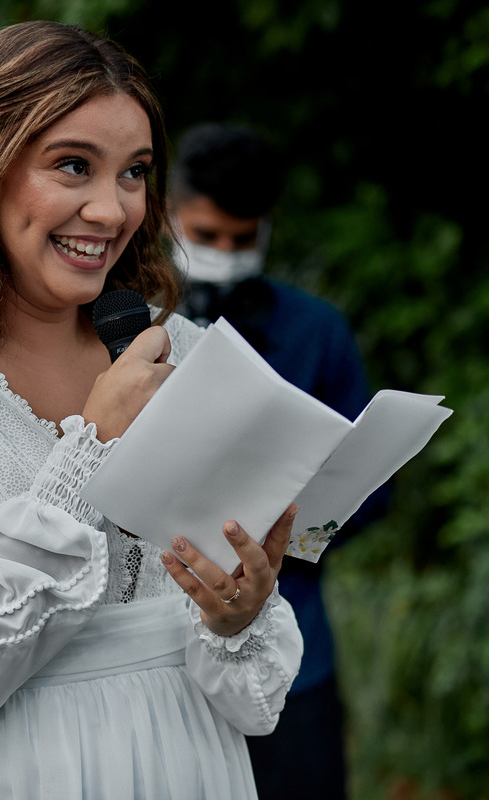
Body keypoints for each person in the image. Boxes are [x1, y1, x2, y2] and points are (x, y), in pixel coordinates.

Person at [0, 22, 305, 800]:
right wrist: (93, 449)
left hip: (188, 763)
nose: (110, 210)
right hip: (8, 769)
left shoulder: (184, 351)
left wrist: (237, 618)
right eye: (73, 166)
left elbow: (257, 699)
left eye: (135, 173)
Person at [170, 121, 387, 800]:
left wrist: (288, 534)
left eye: (243, 240)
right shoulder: (124, 318)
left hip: (293, 648)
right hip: (161, 651)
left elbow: (370, 492)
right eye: (206, 237)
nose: (225, 255)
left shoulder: (316, 330)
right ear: (169, 214)